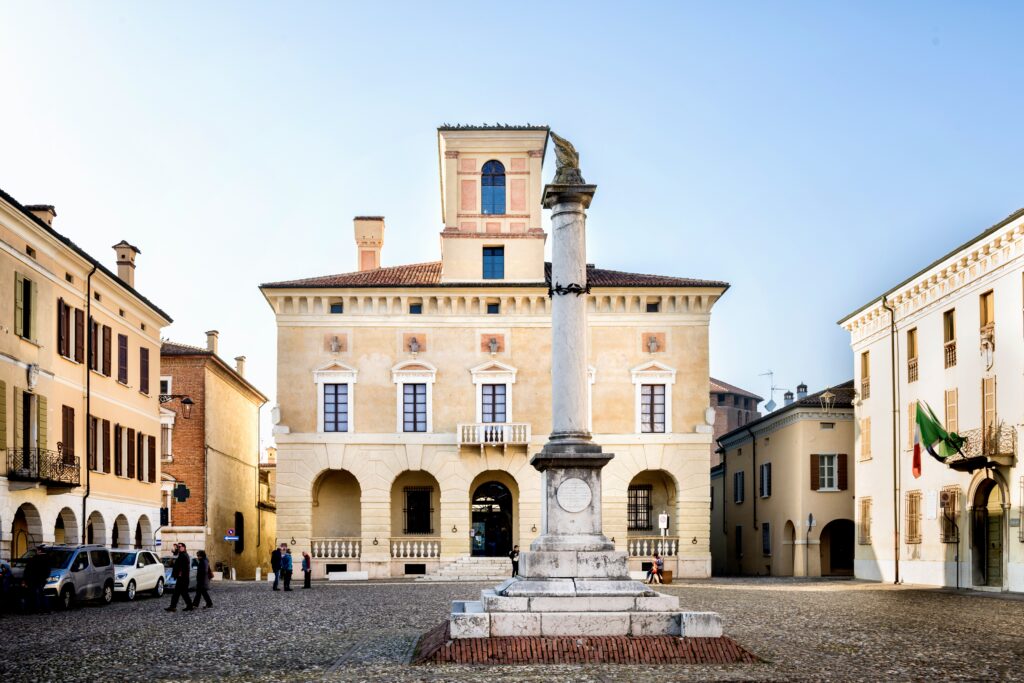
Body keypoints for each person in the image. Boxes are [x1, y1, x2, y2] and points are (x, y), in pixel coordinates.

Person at [165, 543, 193, 612]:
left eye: (180, 546)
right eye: (178, 547)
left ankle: (189, 606)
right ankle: (173, 606)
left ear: (184, 547)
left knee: (183, 593)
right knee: (177, 593)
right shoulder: (181, 555)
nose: (178, 548)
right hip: (181, 577)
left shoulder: (184, 555)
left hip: (183, 578)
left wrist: (180, 574)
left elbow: (184, 566)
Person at [24, 546, 51, 613]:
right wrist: (46, 577)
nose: (36, 552)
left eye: (37, 550)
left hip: (34, 579)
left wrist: (26, 579)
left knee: (34, 594)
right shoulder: (48, 558)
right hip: (43, 579)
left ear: (40, 551)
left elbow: (28, 569)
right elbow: (48, 570)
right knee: (42, 593)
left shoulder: (35, 558)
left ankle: (36, 609)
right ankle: (46, 609)